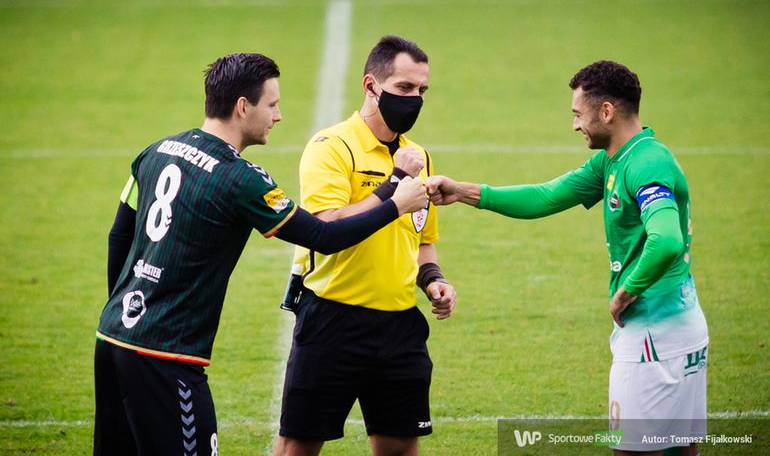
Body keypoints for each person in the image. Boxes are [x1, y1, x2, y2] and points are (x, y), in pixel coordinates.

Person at [93, 52, 429, 456]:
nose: (278, 115)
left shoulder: (156, 150)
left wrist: (122, 310)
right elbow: (324, 236)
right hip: (167, 353)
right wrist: (395, 199)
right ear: (242, 107)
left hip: (112, 337)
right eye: (272, 104)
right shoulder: (240, 178)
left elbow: (119, 235)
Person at [426, 61, 708, 456]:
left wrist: (626, 291)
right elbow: (546, 197)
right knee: (680, 449)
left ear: (606, 111)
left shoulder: (645, 165)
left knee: (631, 451)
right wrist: (463, 192)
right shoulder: (617, 159)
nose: (575, 125)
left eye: (578, 114)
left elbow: (666, 241)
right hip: (680, 325)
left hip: (652, 336)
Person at [275, 35, 457, 456]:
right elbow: (326, 228)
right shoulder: (331, 147)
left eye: (422, 90)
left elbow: (422, 240)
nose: (414, 99)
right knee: (298, 447)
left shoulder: (418, 156)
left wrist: (434, 280)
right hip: (332, 320)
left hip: (399, 326)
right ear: (371, 86)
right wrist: (394, 187)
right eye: (404, 88)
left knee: (400, 447)